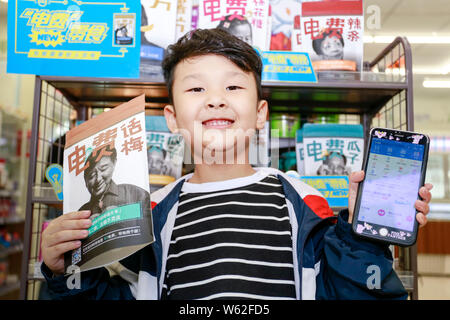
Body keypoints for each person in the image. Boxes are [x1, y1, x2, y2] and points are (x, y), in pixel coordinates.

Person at [40, 28, 433, 300]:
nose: (215, 99)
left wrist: (362, 238)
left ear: (260, 112)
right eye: (196, 88)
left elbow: (348, 292)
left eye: (233, 86)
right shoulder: (150, 213)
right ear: (173, 118)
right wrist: (66, 273)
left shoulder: (302, 200)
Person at [78, 145, 151, 221]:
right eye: (91, 175)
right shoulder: (81, 212)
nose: (98, 179)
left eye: (103, 169)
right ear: (85, 180)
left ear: (114, 163)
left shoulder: (137, 194)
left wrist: (122, 216)